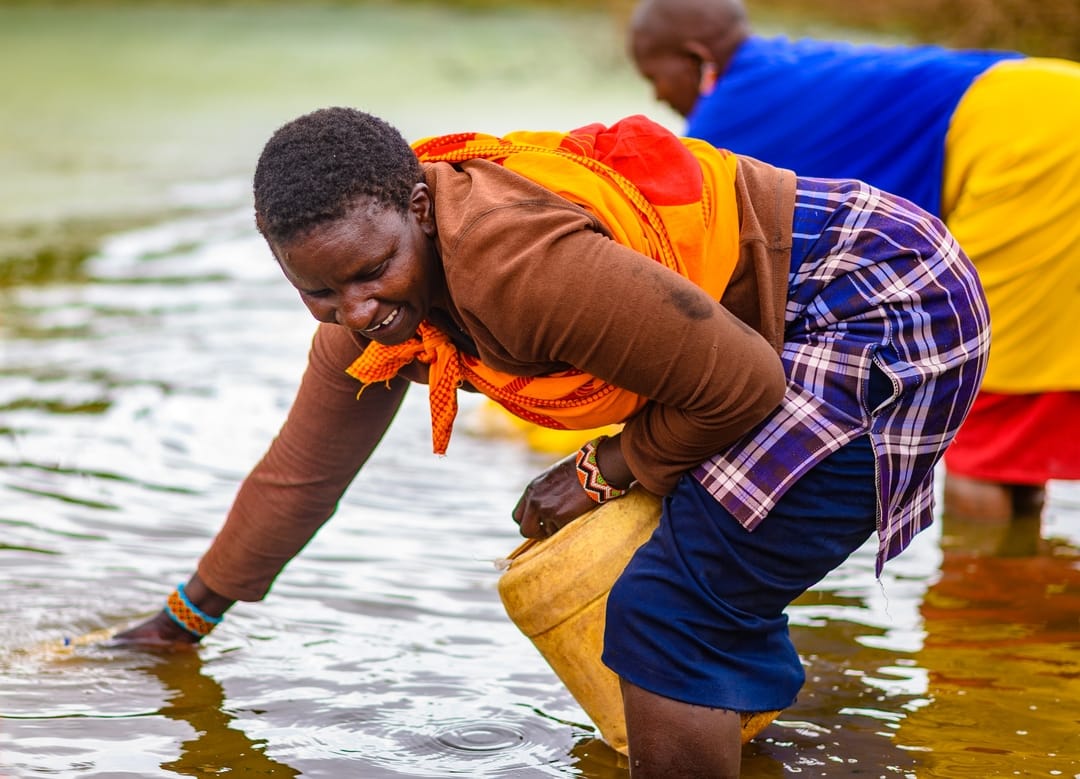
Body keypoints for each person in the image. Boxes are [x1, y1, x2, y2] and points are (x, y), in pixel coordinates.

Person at [116, 106, 988, 777]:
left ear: (420, 207)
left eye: (373, 271)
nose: (357, 308)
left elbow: (741, 386)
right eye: (319, 291)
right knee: (684, 599)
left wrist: (603, 468)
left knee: (669, 611)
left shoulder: (516, 266)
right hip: (775, 330)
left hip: (877, 303)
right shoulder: (371, 321)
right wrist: (183, 621)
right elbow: (301, 475)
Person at [628, 0, 1080, 523]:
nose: (657, 96)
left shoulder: (726, 119)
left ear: (695, 59)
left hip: (1034, 147)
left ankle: (980, 575)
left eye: (654, 76)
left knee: (980, 408)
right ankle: (1028, 563)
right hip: (1053, 95)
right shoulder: (786, 70)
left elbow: (679, 290)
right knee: (1025, 403)